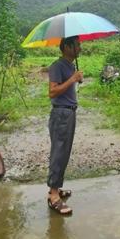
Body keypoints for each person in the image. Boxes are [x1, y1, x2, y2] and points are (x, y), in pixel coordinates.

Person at [47, 36, 83, 215]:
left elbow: (67, 87)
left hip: (69, 112)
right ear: (67, 47)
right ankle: (53, 195)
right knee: (58, 152)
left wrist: (75, 78)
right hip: (61, 113)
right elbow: (52, 92)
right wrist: (72, 79)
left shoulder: (70, 65)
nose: (80, 48)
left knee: (64, 152)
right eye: (77, 45)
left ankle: (56, 187)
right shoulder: (57, 66)